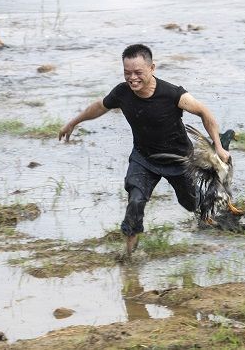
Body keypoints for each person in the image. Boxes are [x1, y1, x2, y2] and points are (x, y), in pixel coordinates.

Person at [58, 44, 230, 257]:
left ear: (152, 68)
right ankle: (129, 256)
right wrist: (73, 123)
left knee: (192, 204)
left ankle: (216, 223)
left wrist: (219, 147)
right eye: (127, 73)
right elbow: (99, 106)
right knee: (135, 200)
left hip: (178, 160)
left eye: (138, 72)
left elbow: (204, 112)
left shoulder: (173, 94)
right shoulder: (122, 92)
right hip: (143, 159)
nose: (132, 78)